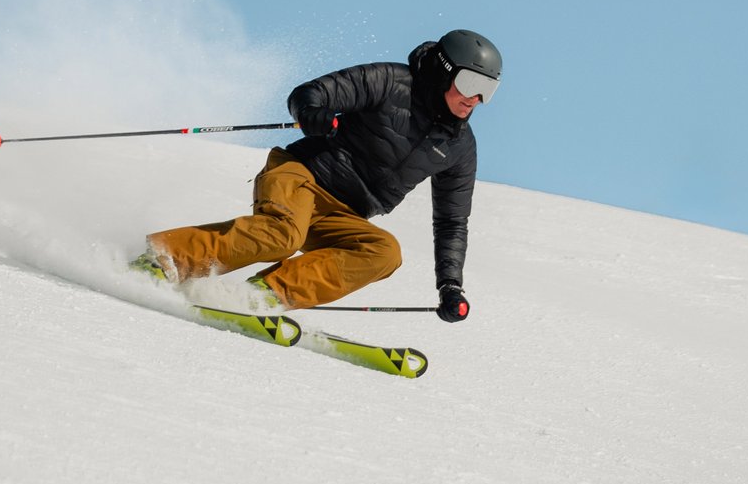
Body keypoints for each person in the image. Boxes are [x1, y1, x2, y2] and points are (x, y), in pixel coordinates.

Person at [134, 29, 500, 322]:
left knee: (384, 252)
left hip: (343, 214)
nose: (476, 100)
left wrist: (450, 285)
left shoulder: (459, 146)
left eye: (488, 90)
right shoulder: (391, 82)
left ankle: (262, 296)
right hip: (301, 175)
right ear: (442, 72)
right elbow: (312, 93)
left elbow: (452, 222)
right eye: (470, 84)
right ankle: (165, 258)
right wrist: (313, 112)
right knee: (281, 236)